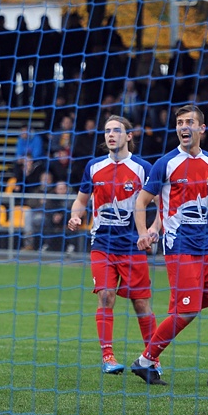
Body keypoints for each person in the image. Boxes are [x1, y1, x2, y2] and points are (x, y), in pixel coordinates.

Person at [131, 105, 208, 389]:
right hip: (180, 247)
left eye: (190, 122)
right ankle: (145, 361)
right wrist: (143, 232)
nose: (184, 127)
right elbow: (141, 202)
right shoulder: (166, 163)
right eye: (180, 123)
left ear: (201, 129)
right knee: (186, 311)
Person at [67, 116, 160, 375]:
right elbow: (81, 200)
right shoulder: (94, 166)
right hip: (102, 245)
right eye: (107, 130)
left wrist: (153, 230)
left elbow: (162, 203)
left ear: (129, 136)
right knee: (106, 296)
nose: (111, 135)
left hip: (133, 247)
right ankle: (108, 356)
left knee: (141, 304)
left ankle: (152, 357)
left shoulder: (144, 168)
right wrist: (76, 215)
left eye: (117, 130)